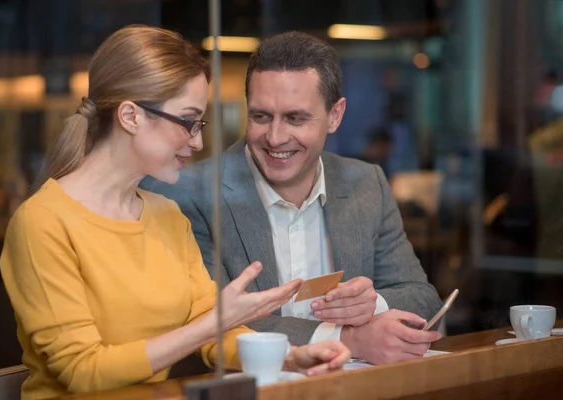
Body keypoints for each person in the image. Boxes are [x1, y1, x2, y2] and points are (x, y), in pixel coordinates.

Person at [0, 26, 350, 400]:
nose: (197, 141)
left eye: (199, 124)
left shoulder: (167, 214)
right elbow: (84, 373)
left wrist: (292, 357)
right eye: (187, 121)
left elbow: (213, 330)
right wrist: (215, 323)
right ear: (131, 116)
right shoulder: (42, 222)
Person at [143, 31, 443, 365]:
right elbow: (212, 322)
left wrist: (374, 305)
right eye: (260, 116)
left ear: (335, 115)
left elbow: (423, 299)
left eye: (295, 118)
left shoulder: (365, 183)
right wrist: (350, 339)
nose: (275, 137)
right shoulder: (186, 194)